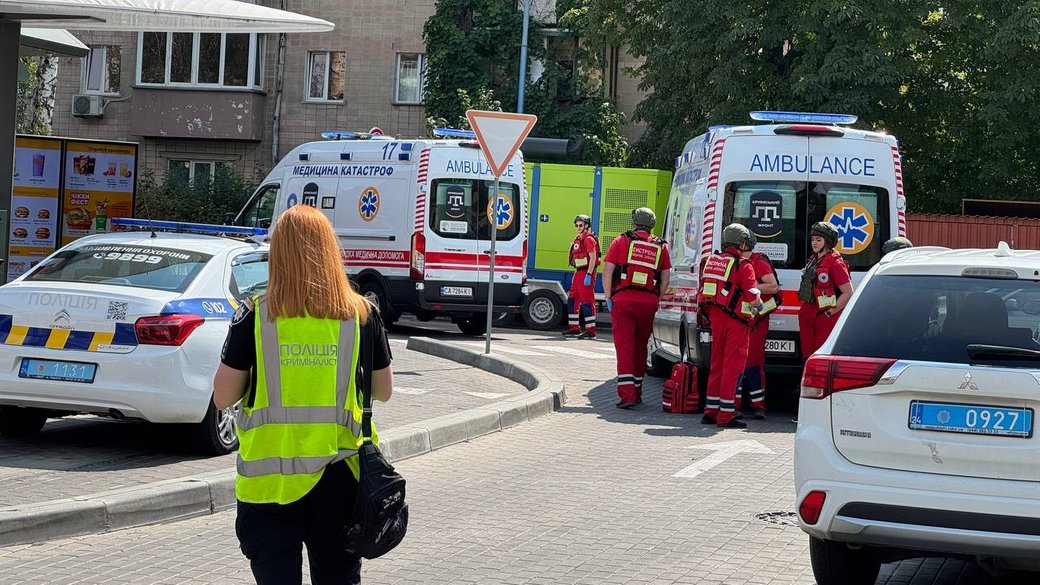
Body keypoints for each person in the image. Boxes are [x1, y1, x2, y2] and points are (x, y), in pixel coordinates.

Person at [213, 204, 394, 585]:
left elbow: (222, 397)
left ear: (277, 253)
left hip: (270, 484)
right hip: (341, 478)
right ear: (330, 250)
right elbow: (384, 391)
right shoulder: (362, 315)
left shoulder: (255, 316)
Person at [602, 207, 671, 408]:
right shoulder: (661, 246)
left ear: (634, 223)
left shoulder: (620, 241)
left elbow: (607, 272)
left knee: (625, 348)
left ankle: (627, 396)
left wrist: (608, 297)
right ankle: (638, 390)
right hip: (648, 303)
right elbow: (665, 278)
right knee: (641, 347)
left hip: (623, 300)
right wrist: (657, 297)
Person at [697, 224, 762, 428]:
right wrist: (760, 306)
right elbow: (752, 296)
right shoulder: (743, 265)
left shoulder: (712, 261)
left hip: (716, 319)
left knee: (717, 364)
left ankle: (711, 411)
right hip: (737, 322)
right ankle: (726, 414)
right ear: (742, 243)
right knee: (733, 368)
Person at [738, 233, 779, 419]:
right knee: (738, 362)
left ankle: (758, 405)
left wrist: (749, 286)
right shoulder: (736, 261)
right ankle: (735, 403)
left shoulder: (758, 261)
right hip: (741, 318)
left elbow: (773, 286)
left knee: (753, 362)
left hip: (757, 320)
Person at [798, 221, 853, 360]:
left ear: (827, 241)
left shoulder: (835, 263)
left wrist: (830, 312)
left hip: (824, 318)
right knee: (807, 356)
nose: (814, 243)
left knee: (821, 357)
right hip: (809, 316)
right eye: (812, 239)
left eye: (818, 240)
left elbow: (848, 292)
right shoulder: (813, 260)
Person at [563, 214, 600, 339]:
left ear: (586, 226)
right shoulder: (579, 238)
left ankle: (591, 331)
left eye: (580, 225)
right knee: (572, 300)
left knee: (587, 301)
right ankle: (574, 328)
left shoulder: (589, 239)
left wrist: (589, 274)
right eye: (576, 225)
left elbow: (593, 258)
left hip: (586, 272)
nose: (578, 227)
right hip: (579, 272)